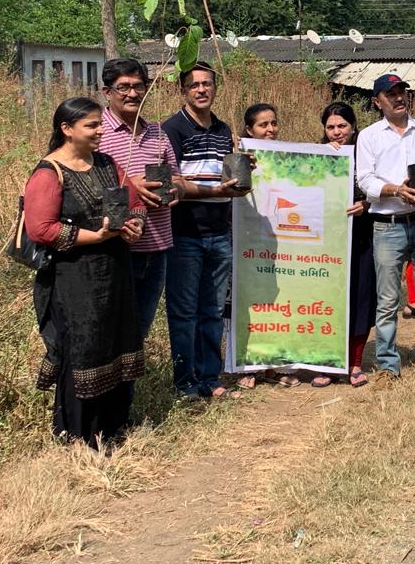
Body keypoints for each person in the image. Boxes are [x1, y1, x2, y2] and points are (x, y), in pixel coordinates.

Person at [23, 97, 146, 447]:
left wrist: (133, 225)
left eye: (99, 124)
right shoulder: (49, 173)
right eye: (92, 125)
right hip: (73, 280)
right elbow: (41, 229)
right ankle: (77, 435)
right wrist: (96, 236)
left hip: (115, 273)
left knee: (115, 342)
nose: (100, 130)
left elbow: (132, 202)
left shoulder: (107, 163)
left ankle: (114, 426)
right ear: (66, 129)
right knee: (83, 348)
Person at [356, 73, 415, 387]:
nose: (398, 98)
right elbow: (364, 180)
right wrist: (396, 190)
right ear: (377, 101)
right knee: (387, 300)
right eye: (390, 94)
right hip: (388, 225)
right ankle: (387, 364)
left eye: (402, 92)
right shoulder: (370, 136)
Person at [162, 64, 251, 400]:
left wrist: (244, 166)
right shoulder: (172, 129)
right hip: (185, 233)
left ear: (215, 88)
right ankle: (185, 381)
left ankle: (210, 378)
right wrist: (216, 192)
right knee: (184, 312)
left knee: (212, 310)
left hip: (220, 231)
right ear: (183, 91)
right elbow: (174, 183)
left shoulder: (223, 129)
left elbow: (225, 174)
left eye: (207, 84)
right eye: (194, 85)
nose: (201, 90)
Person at [99, 58, 182, 338]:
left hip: (158, 246)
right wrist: (132, 186)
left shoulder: (158, 132)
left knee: (139, 330)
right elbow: (83, 185)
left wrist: (175, 190)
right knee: (112, 329)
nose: (132, 94)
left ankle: (129, 384)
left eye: (138, 86)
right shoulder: (95, 132)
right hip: (116, 247)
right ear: (106, 92)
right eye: (123, 87)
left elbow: (177, 177)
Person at [310, 103, 377, 388]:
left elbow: (382, 185)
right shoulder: (316, 157)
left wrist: (366, 204)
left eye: (342, 126)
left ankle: (355, 363)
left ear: (353, 127)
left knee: (360, 297)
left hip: (362, 237)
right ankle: (327, 362)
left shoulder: (367, 153)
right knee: (329, 300)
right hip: (327, 242)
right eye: (331, 127)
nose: (337, 133)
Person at [236, 102, 301, 389]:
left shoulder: (288, 158)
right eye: (263, 125)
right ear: (249, 130)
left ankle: (275, 365)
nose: (270, 129)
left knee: (276, 306)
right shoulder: (238, 159)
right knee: (247, 303)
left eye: (273, 123)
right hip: (246, 244)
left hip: (279, 248)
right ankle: (247, 366)